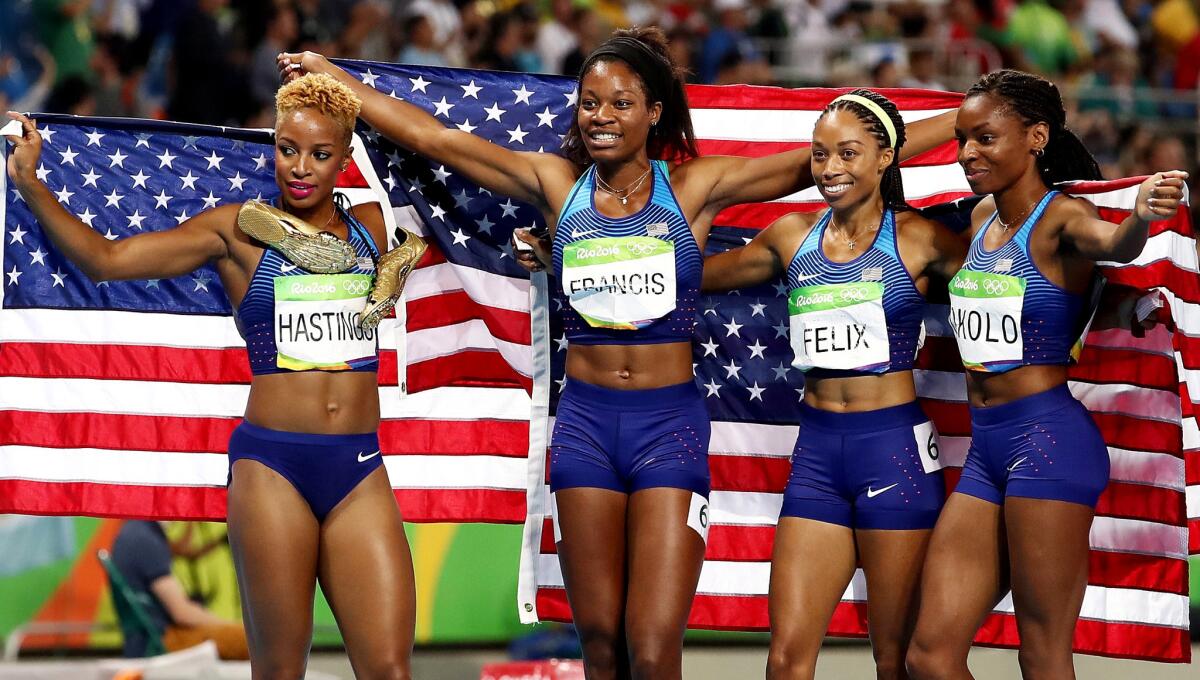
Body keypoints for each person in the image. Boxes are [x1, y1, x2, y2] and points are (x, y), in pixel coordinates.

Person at [279, 30, 954, 679]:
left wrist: (967, 121)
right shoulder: (555, 183)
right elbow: (435, 139)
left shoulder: (693, 188)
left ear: (652, 113)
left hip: (670, 430)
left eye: (620, 103)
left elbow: (840, 153)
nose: (601, 116)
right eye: (590, 103)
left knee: (655, 650)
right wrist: (334, 80)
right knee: (600, 647)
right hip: (587, 430)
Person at [6, 72, 421, 679]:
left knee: (389, 669)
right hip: (272, 468)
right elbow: (107, 260)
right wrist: (31, 184)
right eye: (287, 149)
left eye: (320, 153)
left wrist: (326, 70)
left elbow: (427, 139)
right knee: (279, 671)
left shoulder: (372, 227)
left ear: (344, 157)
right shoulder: (235, 230)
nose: (300, 167)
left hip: (359, 466)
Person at [904, 69, 1187, 680]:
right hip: (988, 450)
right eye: (960, 140)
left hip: (1050, 443)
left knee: (1042, 652)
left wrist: (1138, 216)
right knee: (929, 656)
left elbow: (1117, 243)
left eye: (984, 138)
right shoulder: (978, 220)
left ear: (1035, 137)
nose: (965, 155)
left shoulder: (1062, 217)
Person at [702, 90, 965, 680]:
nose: (831, 170)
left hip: (893, 453)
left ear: (884, 159)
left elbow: (1016, 281)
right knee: (786, 661)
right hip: (818, 454)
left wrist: (1116, 303)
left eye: (848, 153)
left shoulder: (920, 239)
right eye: (819, 156)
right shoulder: (791, 235)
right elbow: (687, 277)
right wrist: (574, 253)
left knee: (895, 661)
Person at [109, 520, 248, 660]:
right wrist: (228, 626)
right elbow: (182, 613)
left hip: (142, 639)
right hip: (161, 639)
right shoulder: (145, 539)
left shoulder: (134, 532)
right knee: (252, 641)